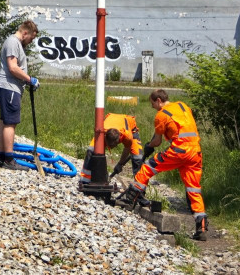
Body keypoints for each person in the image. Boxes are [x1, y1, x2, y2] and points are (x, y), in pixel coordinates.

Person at [120, 89, 209, 240]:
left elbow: (157, 141)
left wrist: (148, 147)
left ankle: (129, 200)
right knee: (193, 188)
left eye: (153, 103)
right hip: (196, 152)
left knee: (147, 167)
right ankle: (201, 228)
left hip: (179, 151)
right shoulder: (183, 106)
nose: (152, 107)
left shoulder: (161, 115)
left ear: (159, 100)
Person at [0, 20, 39, 170]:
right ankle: (9, 159)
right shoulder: (13, 42)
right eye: (31, 38)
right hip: (9, 87)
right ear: (25, 33)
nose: (31, 41)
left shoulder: (15, 43)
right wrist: (29, 79)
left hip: (7, 87)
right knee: (10, 123)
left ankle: (0, 158)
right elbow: (13, 67)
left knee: (4, 121)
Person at [77, 112, 144, 182]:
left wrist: (120, 164)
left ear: (118, 140)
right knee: (91, 150)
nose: (111, 148)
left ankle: (138, 185)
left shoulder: (127, 136)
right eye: (109, 145)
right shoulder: (101, 131)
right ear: (105, 137)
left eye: (113, 146)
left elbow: (127, 149)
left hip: (130, 126)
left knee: (137, 158)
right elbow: (92, 149)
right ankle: (85, 179)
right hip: (111, 119)